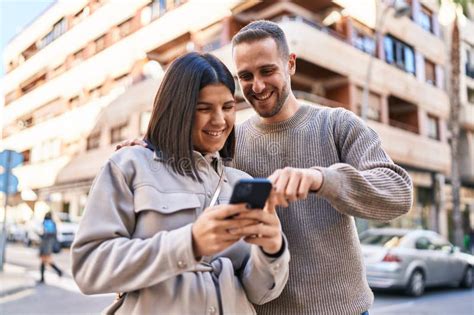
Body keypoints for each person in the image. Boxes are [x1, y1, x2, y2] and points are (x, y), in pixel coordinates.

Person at [119, 20, 413, 314]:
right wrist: (151, 150)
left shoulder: (337, 124)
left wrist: (320, 178)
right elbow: (184, 177)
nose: (257, 86)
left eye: (267, 71)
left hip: (344, 310)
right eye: (245, 76)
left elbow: (399, 193)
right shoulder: (228, 143)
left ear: (291, 64)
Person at [71, 52, 289, 315]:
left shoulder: (240, 182)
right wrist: (189, 244)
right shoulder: (130, 166)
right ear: (178, 109)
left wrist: (272, 249)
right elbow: (89, 268)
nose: (220, 120)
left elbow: (260, 292)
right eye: (203, 109)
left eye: (228, 107)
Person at [38, 212, 63, 283]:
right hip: (49, 245)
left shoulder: (45, 223)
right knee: (44, 260)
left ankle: (58, 271)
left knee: (45, 260)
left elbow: (44, 233)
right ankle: (43, 277)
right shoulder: (53, 223)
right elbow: (54, 235)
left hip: (45, 245)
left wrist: (41, 235)